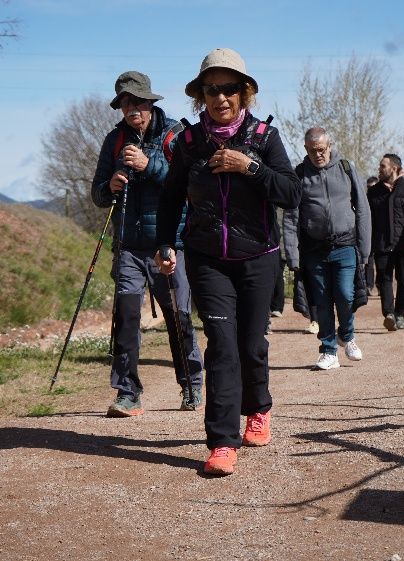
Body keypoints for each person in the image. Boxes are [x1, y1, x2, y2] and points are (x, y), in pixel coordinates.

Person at [155, 48, 301, 476]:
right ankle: (222, 441)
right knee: (221, 347)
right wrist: (166, 243)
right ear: (201, 95)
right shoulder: (187, 142)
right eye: (212, 89)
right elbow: (170, 198)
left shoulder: (264, 138)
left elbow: (290, 192)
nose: (221, 98)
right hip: (207, 259)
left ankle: (259, 408)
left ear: (245, 93)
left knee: (251, 345)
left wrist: (250, 167)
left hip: (258, 257)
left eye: (230, 89)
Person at [91, 71, 204, 417]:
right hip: (128, 246)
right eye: (125, 102)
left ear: (150, 103)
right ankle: (128, 393)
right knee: (125, 317)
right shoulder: (114, 141)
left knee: (178, 317)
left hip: (169, 245)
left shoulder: (176, 136)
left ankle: (191, 385)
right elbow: (96, 193)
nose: (132, 108)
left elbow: (190, 184)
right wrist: (109, 186)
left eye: (137, 101)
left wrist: (148, 164)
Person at [283, 127, 371, 371]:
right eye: (312, 151)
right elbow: (290, 218)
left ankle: (348, 335)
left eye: (321, 149)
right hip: (314, 250)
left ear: (329, 146)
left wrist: (364, 249)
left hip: (345, 245)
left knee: (345, 294)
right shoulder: (299, 175)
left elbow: (363, 208)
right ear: (306, 150)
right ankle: (329, 351)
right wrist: (292, 254)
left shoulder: (346, 168)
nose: (318, 155)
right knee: (321, 302)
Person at [368, 153, 404, 331]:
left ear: (394, 168)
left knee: (403, 281)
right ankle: (389, 314)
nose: (379, 169)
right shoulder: (374, 192)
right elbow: (369, 220)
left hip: (403, 244)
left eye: (383, 166)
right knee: (384, 278)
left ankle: (400, 314)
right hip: (382, 243)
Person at [365, 176, 379, 295]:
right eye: (369, 187)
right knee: (368, 261)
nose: (371, 189)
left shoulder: (382, 199)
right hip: (368, 234)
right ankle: (368, 286)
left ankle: (381, 286)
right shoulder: (363, 199)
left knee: (380, 262)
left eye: (373, 187)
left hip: (380, 235)